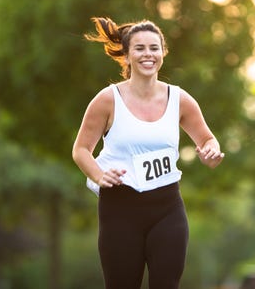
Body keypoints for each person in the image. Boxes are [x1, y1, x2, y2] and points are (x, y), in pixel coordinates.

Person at [72, 17, 225, 289]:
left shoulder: (180, 99)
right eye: (140, 48)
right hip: (119, 208)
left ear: (163, 52)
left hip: (167, 208)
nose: (147, 54)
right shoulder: (107, 100)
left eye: (154, 48)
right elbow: (81, 150)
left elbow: (207, 139)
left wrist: (210, 151)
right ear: (127, 55)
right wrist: (99, 175)